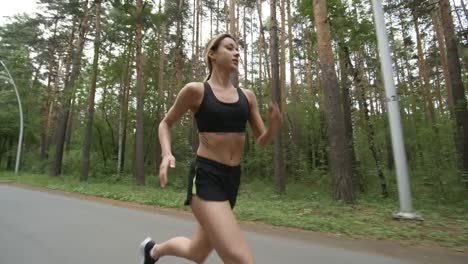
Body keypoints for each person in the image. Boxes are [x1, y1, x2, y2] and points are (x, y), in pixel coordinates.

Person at [139, 33, 282, 264]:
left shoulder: (248, 97)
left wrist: (274, 127)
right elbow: (165, 123)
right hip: (206, 177)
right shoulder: (196, 91)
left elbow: (262, 141)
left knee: (197, 252)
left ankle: (153, 251)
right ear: (212, 54)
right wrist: (166, 154)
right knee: (241, 259)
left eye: (238, 49)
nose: (237, 53)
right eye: (229, 48)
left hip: (231, 179)